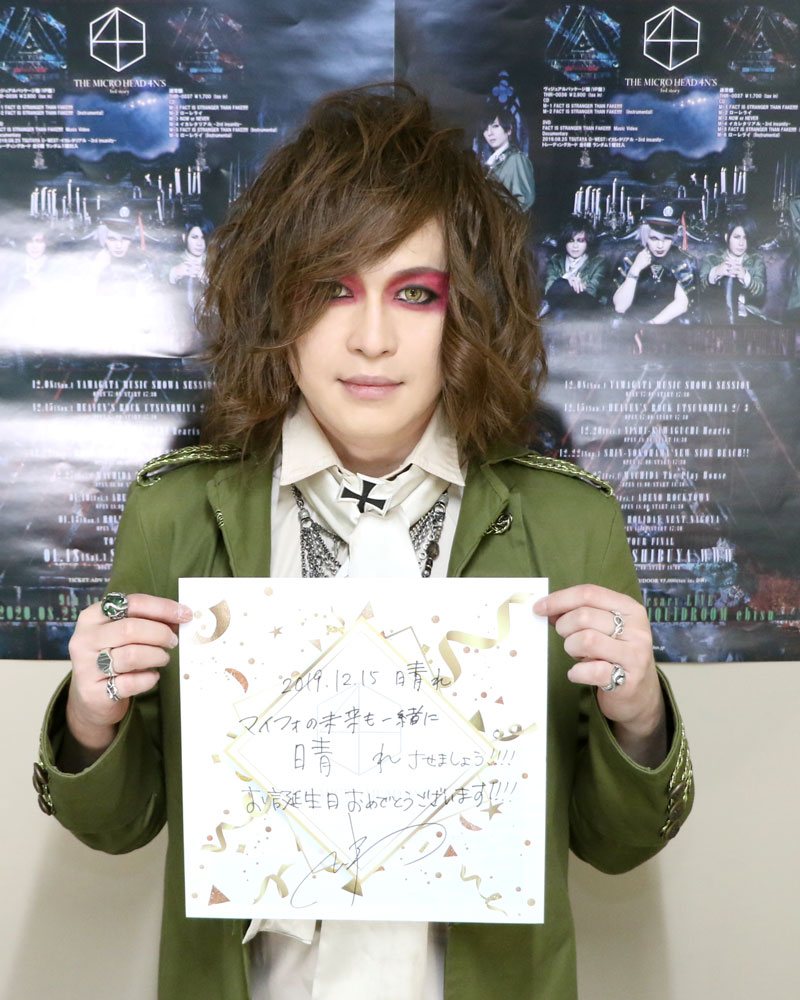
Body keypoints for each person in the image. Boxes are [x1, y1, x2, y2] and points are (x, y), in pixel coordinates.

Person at [36, 84, 692, 1000]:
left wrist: (641, 719)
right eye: (331, 288)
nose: (372, 339)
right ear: (275, 302)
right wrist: (89, 721)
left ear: (465, 312)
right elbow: (119, 825)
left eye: (415, 294)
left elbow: (617, 845)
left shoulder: (568, 520)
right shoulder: (177, 511)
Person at [613, 204, 696, 325]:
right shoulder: (630, 257)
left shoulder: (683, 260)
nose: (660, 246)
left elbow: (681, 304)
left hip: (669, 324)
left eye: (666, 239)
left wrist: (651, 325)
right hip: (632, 324)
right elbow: (620, 307)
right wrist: (635, 269)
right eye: (654, 238)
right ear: (645, 236)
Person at [699, 218, 767, 324]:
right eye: (737, 237)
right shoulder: (712, 260)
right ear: (727, 237)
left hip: (747, 316)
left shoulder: (756, 261)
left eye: (745, 238)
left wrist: (745, 276)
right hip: (717, 316)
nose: (741, 243)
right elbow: (699, 291)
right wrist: (715, 273)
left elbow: (761, 293)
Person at [543, 219, 608, 317]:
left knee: (560, 285)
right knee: (560, 308)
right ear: (565, 242)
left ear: (588, 242)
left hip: (588, 306)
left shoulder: (598, 262)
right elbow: (549, 290)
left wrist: (568, 286)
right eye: (570, 241)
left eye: (580, 241)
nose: (575, 246)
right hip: (562, 309)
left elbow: (592, 292)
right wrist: (568, 280)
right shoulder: (555, 261)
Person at [482, 105, 535, 211]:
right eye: (485, 129)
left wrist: (500, 216)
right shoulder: (490, 162)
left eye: (495, 126)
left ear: (509, 130)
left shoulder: (516, 159)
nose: (489, 133)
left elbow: (524, 200)